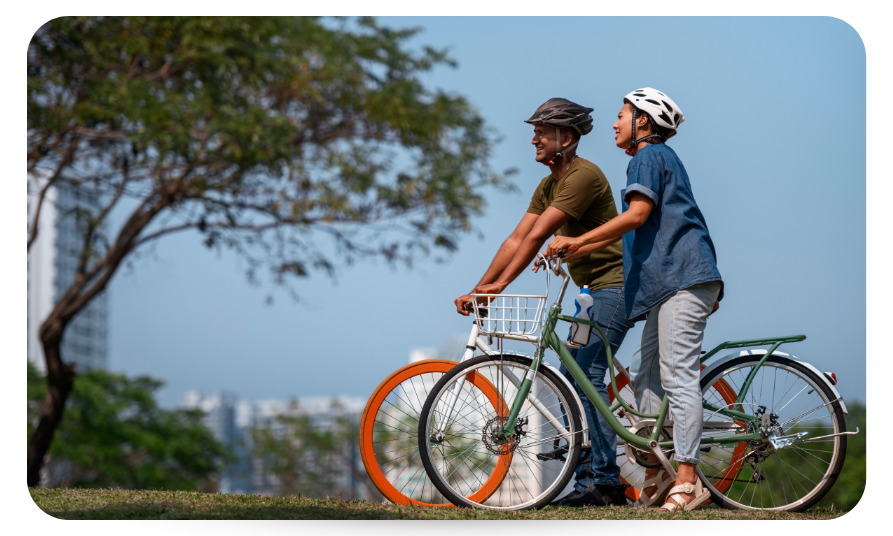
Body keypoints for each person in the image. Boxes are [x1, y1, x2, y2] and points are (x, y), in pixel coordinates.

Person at [544, 88, 723, 513]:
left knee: (676, 374)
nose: (614, 122)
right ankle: (660, 475)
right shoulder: (652, 159)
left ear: (642, 121)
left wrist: (579, 238)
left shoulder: (648, 155)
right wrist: (578, 249)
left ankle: (687, 479)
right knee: (647, 381)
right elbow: (633, 228)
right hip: (671, 284)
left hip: (683, 279)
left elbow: (637, 216)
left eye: (621, 113)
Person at [454, 98, 630, 507]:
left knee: (588, 375)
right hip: (590, 291)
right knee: (573, 377)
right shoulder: (551, 182)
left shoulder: (582, 176)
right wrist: (481, 287)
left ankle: (607, 485)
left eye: (541, 133)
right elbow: (516, 238)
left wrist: (496, 289)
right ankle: (588, 480)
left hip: (615, 284)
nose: (533, 139)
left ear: (565, 138)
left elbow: (536, 238)